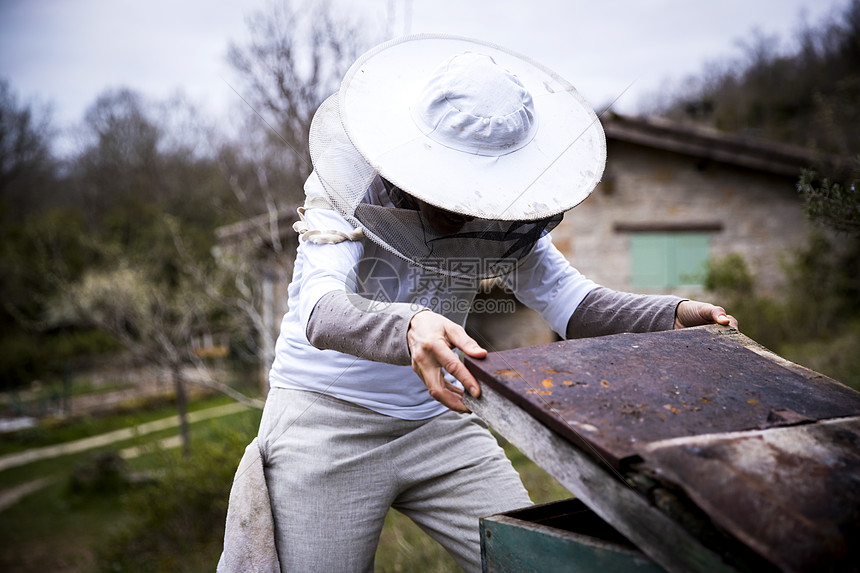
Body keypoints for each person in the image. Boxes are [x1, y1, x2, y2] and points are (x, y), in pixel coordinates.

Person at [219, 34, 737, 572]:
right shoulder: (345, 183)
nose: (461, 204)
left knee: (533, 563)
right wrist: (411, 324)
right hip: (324, 423)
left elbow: (573, 303)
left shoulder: (508, 214)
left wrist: (669, 315)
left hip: (439, 418)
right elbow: (322, 312)